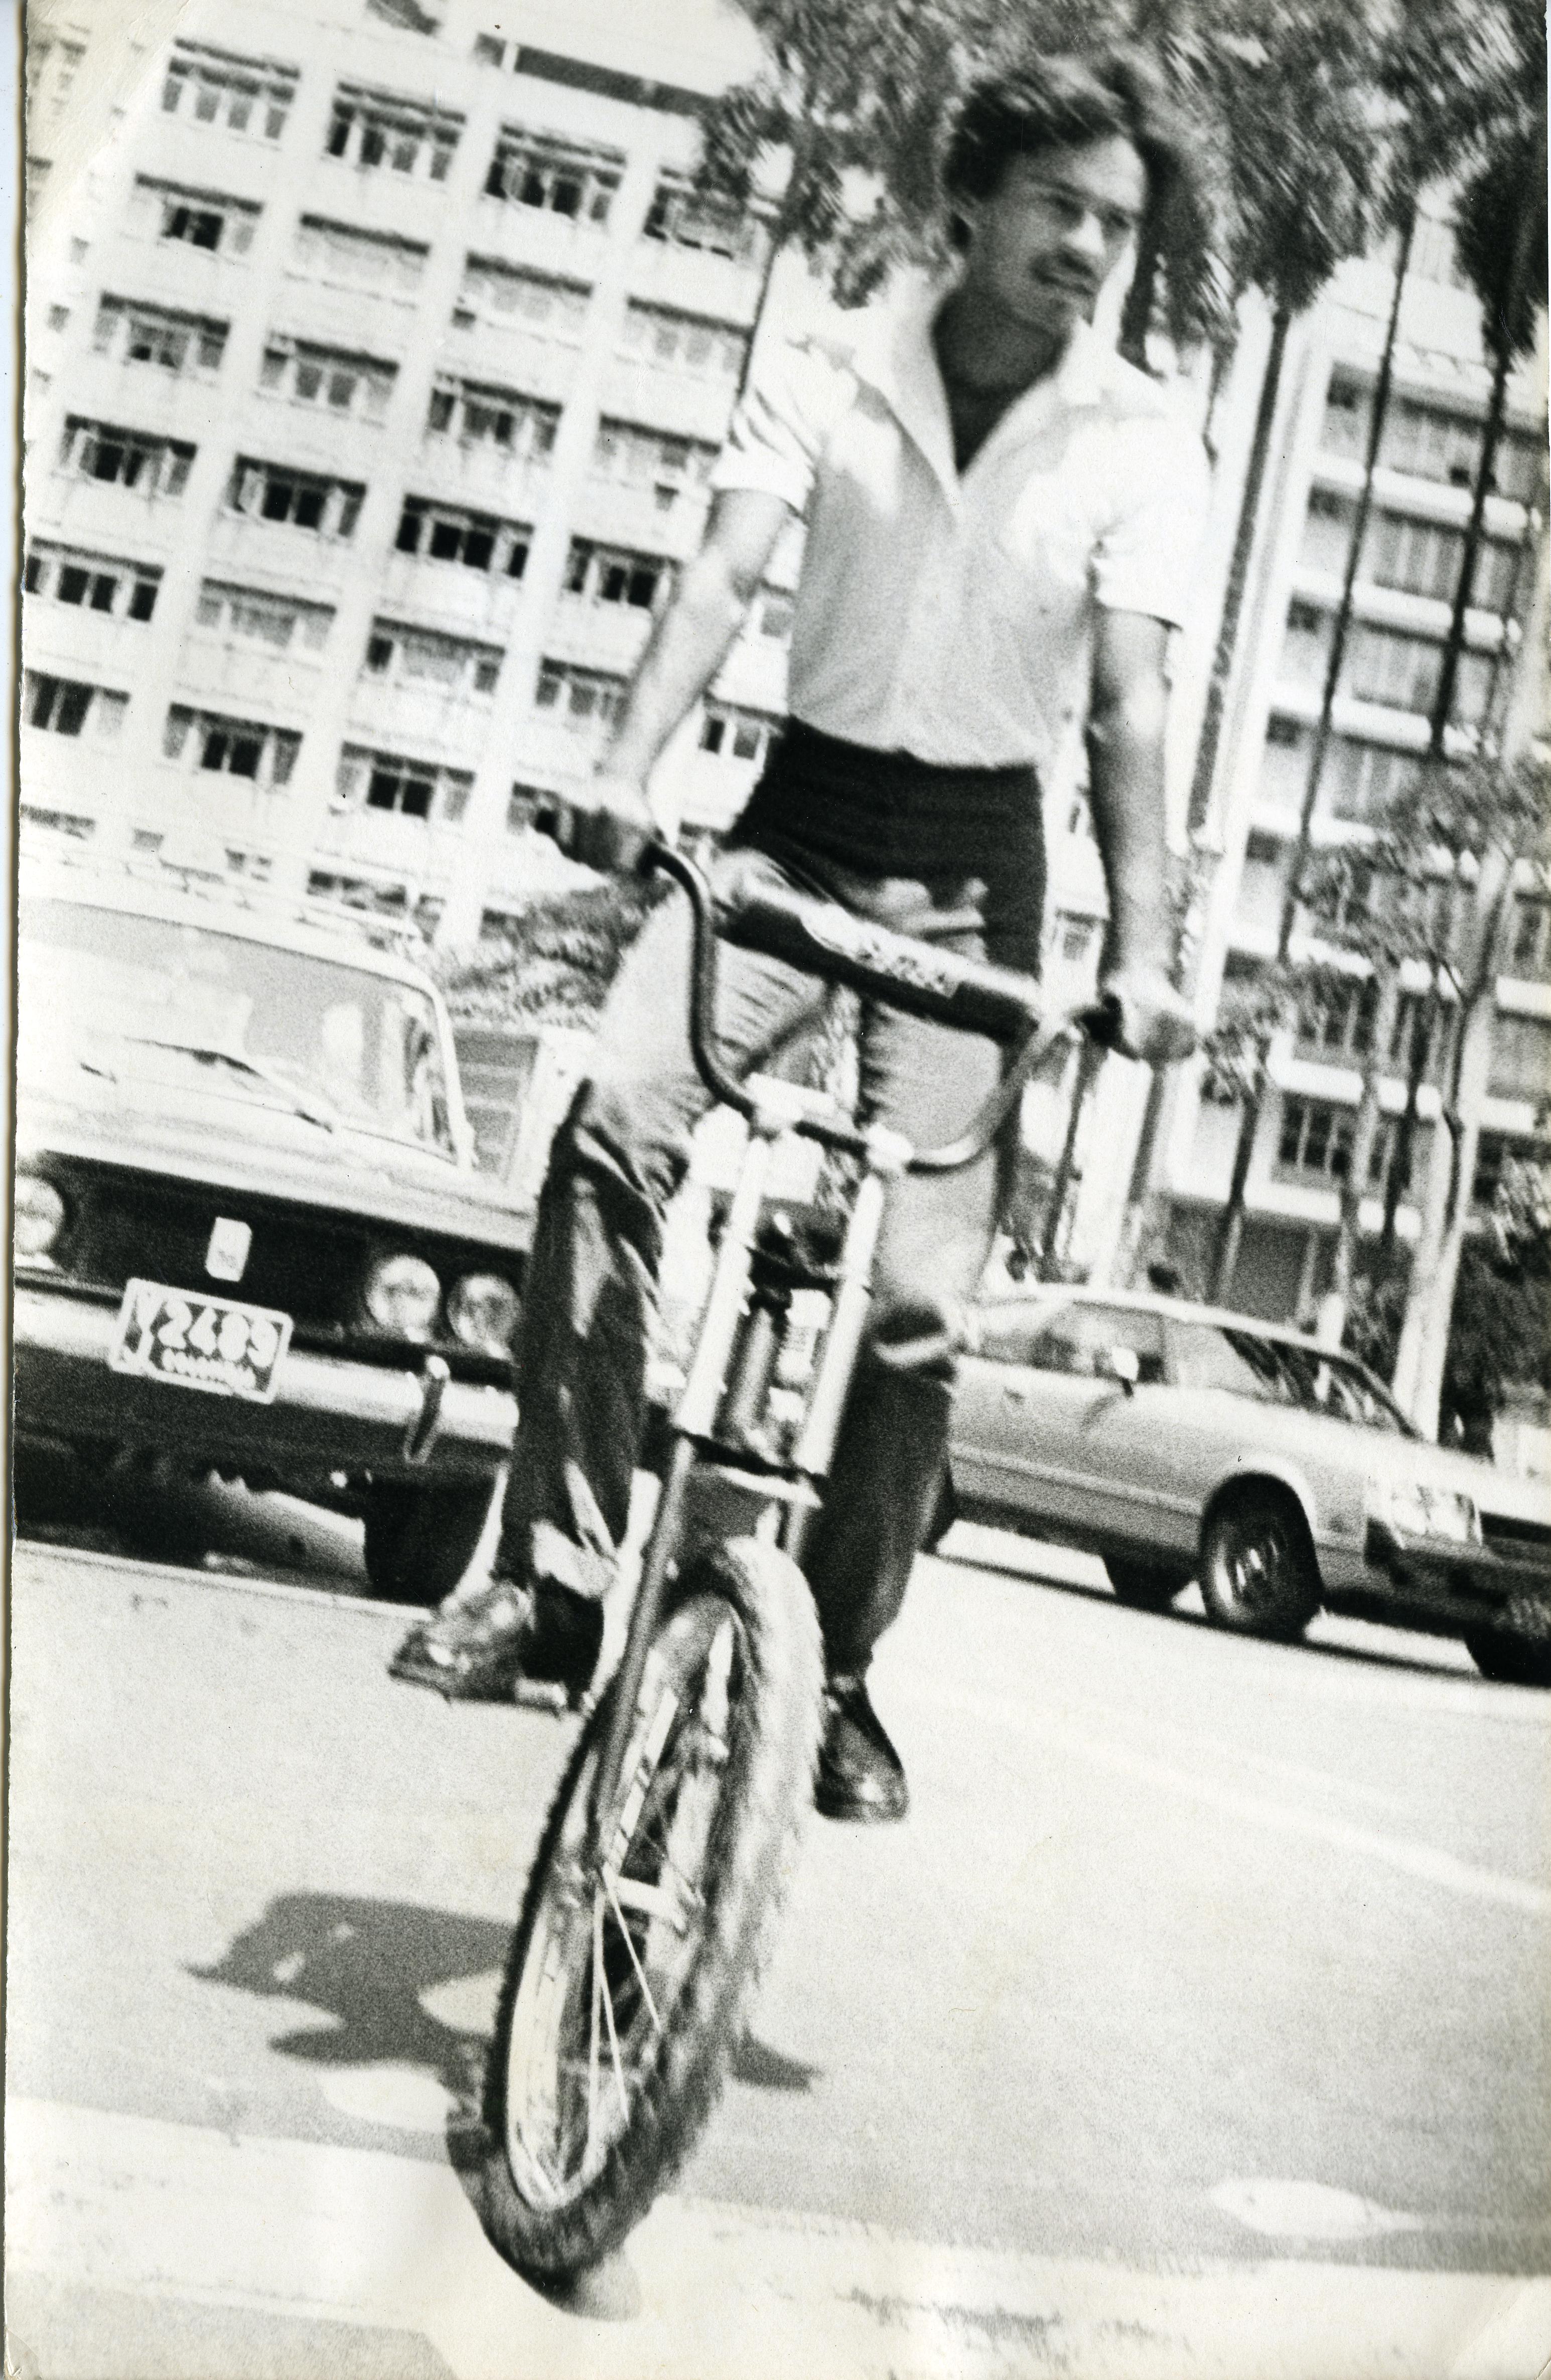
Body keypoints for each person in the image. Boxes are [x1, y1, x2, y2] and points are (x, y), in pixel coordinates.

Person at [392, 49, 1207, 1822]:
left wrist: (1145, 954)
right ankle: (551, 1574)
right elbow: (719, 577)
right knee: (612, 1125)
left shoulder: (1145, 439)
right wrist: (623, 774)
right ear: (969, 203)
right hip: (797, 826)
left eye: (1116, 224)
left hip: (981, 871)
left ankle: (830, 1671)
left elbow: (1129, 706)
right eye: (1058, 208)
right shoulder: (829, 362)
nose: (1089, 248)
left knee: (916, 1302)